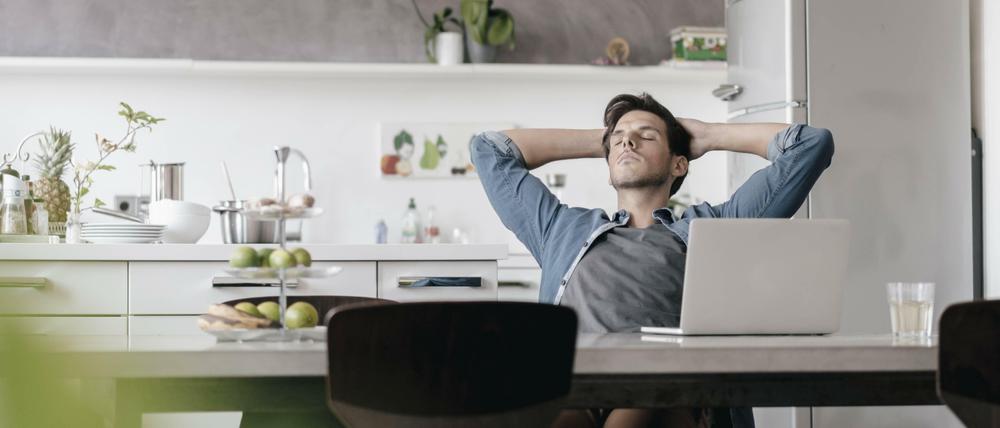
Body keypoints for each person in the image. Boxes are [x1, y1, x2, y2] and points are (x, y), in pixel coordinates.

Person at [470, 93, 834, 428]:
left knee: (639, 414)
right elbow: (488, 149)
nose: (628, 141)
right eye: (619, 138)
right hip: (576, 387)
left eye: (647, 136)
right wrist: (607, 141)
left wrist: (706, 135)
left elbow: (810, 146)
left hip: (664, 390)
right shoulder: (559, 226)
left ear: (679, 164)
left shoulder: (713, 226)